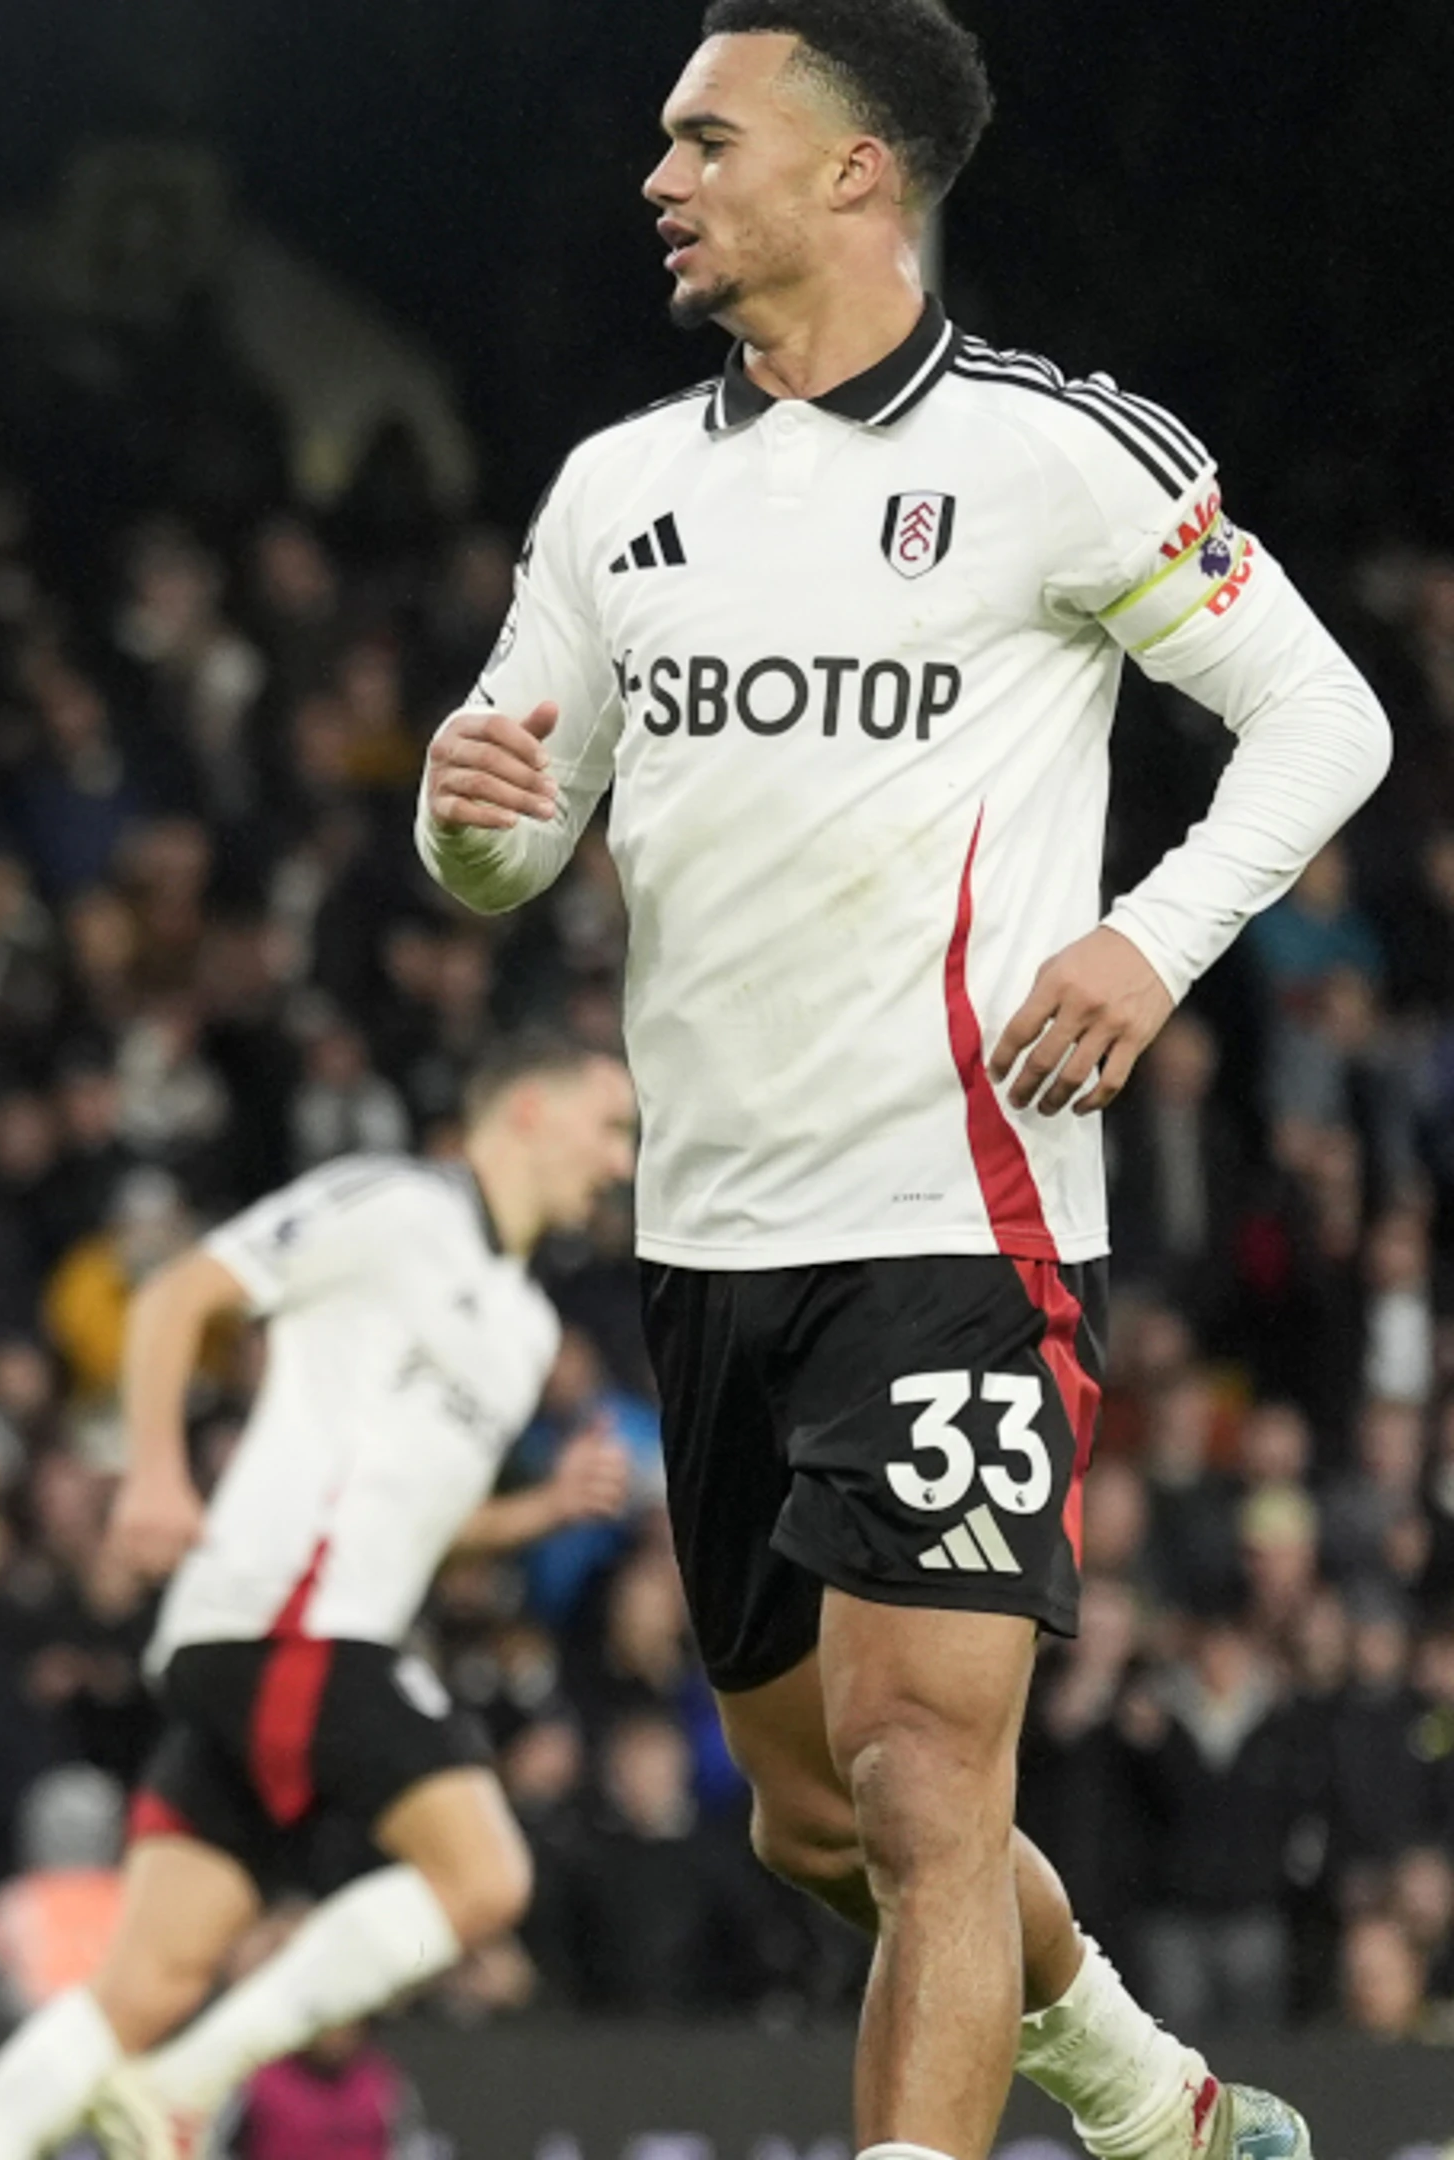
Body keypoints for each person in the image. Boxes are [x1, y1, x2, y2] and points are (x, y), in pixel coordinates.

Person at [414, 6, 1389, 2160]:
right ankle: (1149, 2096)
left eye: (703, 139)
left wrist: (1148, 939)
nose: (659, 179)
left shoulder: (1060, 454)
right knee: (813, 1822)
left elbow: (1327, 720)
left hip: (962, 1215)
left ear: (859, 175)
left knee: (935, 1782)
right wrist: (463, 813)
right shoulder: (619, 492)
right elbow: (498, 837)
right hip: (710, 1245)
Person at [0, 1038, 642, 2160]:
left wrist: (534, 1514)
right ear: (530, 1110)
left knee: (143, 1986)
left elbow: (414, 1523)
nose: (619, 1160)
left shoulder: (525, 1329)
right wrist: (156, 1472)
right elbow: (177, 1294)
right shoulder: (393, 1205)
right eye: (611, 1126)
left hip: (284, 1643)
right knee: (487, 1877)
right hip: (290, 1622)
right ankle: (187, 2089)